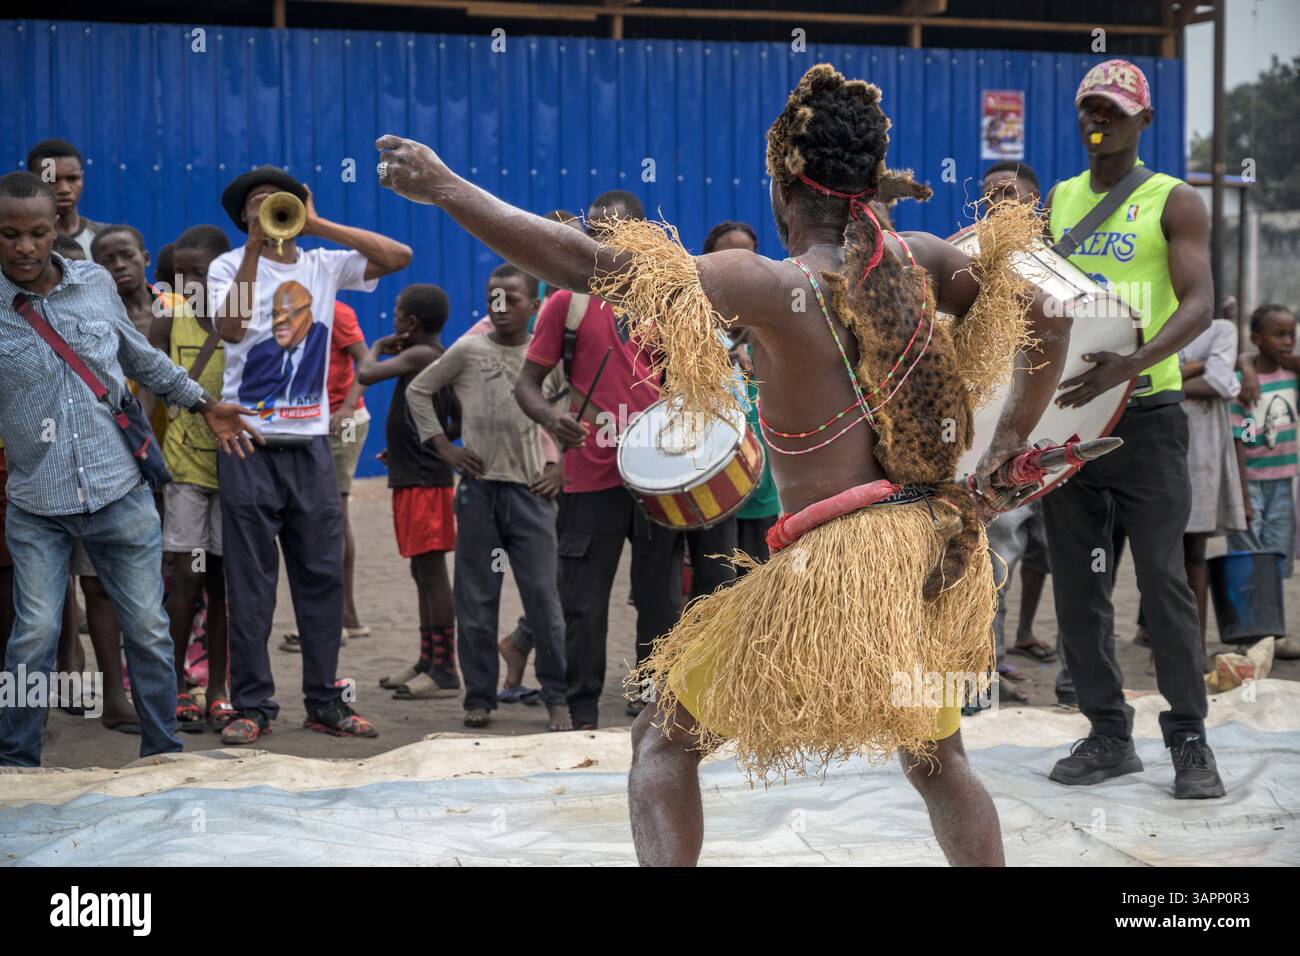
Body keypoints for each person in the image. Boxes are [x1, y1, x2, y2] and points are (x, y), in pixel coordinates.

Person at [375, 61, 1070, 865]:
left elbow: (584, 267)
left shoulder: (769, 284)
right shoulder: (921, 260)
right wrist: (1015, 432)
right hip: (929, 558)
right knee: (940, 763)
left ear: (781, 192)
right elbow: (1049, 305)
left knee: (662, 746)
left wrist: (449, 188)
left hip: (837, 571)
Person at [0, 171, 258, 767]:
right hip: (37, 504)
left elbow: (138, 356)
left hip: (119, 491)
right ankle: (16, 758)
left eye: (37, 233)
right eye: (9, 234)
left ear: (52, 233)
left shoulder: (92, 283)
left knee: (147, 626)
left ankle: (162, 750)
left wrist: (203, 402)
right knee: (33, 636)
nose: (25, 247)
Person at [1041, 59, 1222, 798]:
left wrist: (1134, 362)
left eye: (1114, 109)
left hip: (1146, 416)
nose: (1100, 119)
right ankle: (1109, 734)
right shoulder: (1056, 200)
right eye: (1091, 107)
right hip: (1068, 423)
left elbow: (1200, 303)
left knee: (1162, 583)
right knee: (1079, 591)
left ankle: (1188, 739)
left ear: (1143, 121)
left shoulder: (1172, 200)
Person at [513, 189, 731, 731]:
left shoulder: (671, 301)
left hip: (661, 481)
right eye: (594, 231)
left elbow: (703, 383)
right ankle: (577, 708)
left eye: (615, 230)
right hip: (590, 477)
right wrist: (548, 418)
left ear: (643, 234)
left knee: (658, 601)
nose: (602, 240)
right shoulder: (567, 301)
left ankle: (651, 702)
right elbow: (527, 385)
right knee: (581, 603)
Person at [208, 165, 410, 745]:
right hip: (246, 444)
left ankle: (325, 702)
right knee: (251, 581)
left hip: (312, 447)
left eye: (279, 200)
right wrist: (252, 248)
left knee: (321, 577)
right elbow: (229, 326)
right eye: (255, 204)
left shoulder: (325, 265)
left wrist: (317, 222)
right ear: (242, 216)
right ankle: (252, 705)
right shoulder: (228, 266)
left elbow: (398, 256)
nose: (267, 208)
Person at [403, 265, 569, 731]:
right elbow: (420, 390)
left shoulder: (547, 357)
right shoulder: (470, 349)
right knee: (476, 603)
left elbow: (575, 407)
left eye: (511, 300)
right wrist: (443, 447)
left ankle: (556, 695)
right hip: (478, 494)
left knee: (544, 601)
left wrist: (561, 467)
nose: (500, 309)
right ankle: (479, 697)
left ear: (535, 306)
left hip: (531, 494)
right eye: (493, 299)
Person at [148, 224, 236, 732]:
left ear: (223, 272)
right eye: (179, 274)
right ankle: (176, 686)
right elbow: (146, 382)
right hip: (183, 467)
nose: (187, 283)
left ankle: (220, 689)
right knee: (186, 578)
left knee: (224, 581)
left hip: (234, 465)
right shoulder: (169, 316)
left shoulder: (240, 321)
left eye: (198, 273)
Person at [356, 285, 461, 701]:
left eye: (397, 314)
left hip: (425, 481)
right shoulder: (439, 357)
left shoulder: (422, 356)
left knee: (432, 573)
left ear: (412, 324)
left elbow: (365, 374)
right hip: (413, 473)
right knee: (421, 571)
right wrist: (410, 445)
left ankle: (445, 670)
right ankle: (426, 660)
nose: (393, 320)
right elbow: (452, 422)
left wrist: (378, 345)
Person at [704, 222, 781, 568]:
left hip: (764, 483)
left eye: (747, 257)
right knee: (714, 580)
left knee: (759, 579)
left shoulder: (775, 327)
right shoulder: (693, 332)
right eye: (726, 257)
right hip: (712, 477)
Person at [1179, 309, 1248, 661]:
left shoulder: (1219, 329)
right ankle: (1158, 639)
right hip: (1151, 448)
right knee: (1155, 552)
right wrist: (1197, 367)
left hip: (1200, 454)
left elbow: (1220, 383)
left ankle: (1194, 649)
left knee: (1193, 552)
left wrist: (1159, 382)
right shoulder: (1147, 322)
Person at [26, 139, 102, 258]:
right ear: (32, 182)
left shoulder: (103, 238)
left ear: (82, 178)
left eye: (72, 178)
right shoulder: (19, 243)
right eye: (51, 180)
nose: (64, 189)